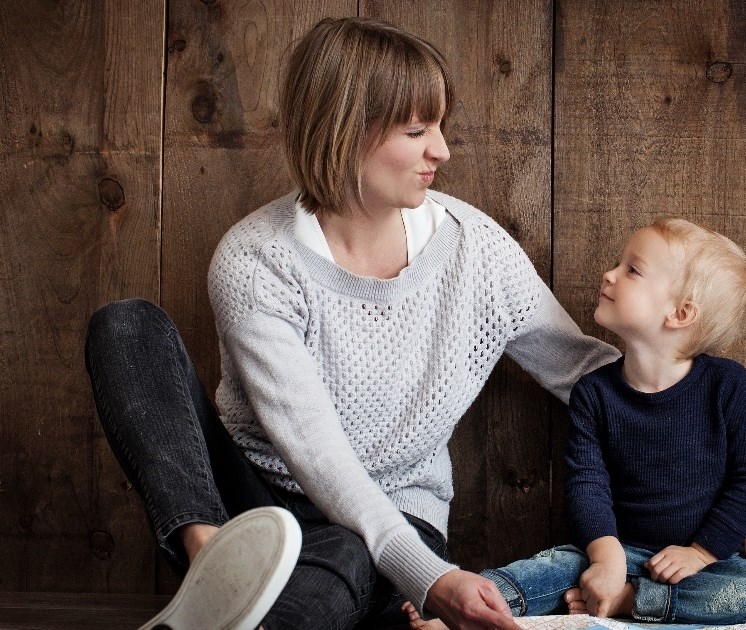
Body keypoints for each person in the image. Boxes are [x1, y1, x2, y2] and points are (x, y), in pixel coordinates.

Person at [84, 16, 618, 630]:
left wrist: (715, 452)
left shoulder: (477, 250)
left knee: (344, 550)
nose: (441, 150)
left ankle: (239, 613)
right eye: (417, 130)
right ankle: (212, 565)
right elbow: (314, 450)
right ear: (343, 133)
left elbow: (584, 372)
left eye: (440, 128)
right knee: (127, 328)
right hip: (252, 505)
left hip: (398, 523)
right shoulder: (256, 259)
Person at [409, 218, 746, 628]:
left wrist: (703, 552)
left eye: (632, 270)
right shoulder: (594, 393)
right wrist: (606, 557)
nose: (610, 274)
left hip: (698, 564)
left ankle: (631, 601)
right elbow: (587, 482)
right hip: (611, 550)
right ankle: (465, 603)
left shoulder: (725, 385)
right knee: (550, 567)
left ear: (680, 313)